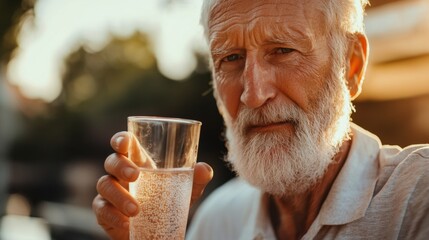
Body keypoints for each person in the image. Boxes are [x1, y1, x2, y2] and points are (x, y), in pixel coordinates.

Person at [92, 0, 429, 239]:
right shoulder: (217, 220)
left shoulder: (417, 197)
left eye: (283, 51)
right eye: (232, 58)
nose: (253, 94)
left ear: (351, 66)